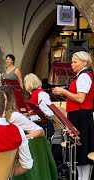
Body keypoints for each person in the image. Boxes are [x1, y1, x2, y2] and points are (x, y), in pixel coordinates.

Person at [53, 51, 94, 180]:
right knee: (80, 151)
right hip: (79, 115)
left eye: (75, 62)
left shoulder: (84, 76)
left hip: (81, 116)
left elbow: (80, 98)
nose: (72, 64)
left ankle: (84, 178)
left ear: (84, 63)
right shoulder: (82, 76)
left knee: (83, 151)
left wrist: (64, 91)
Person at [24, 73, 55, 138]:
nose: (24, 85)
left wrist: (30, 118)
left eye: (25, 83)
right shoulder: (33, 94)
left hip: (43, 127)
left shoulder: (41, 94)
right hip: (36, 125)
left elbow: (48, 114)